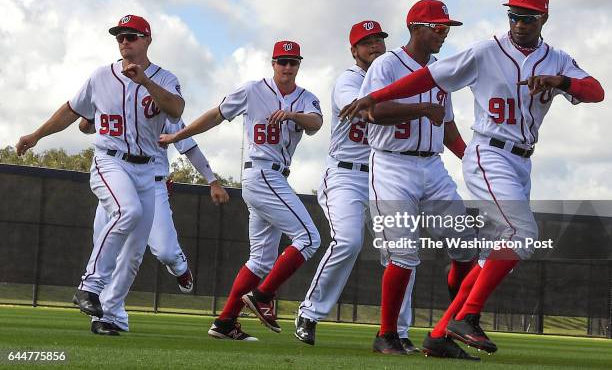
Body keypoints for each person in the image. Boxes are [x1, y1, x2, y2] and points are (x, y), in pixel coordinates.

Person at [340, 0, 604, 359]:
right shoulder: (484, 50)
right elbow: (426, 82)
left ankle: (441, 334)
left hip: (505, 161)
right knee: (521, 233)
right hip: (470, 154)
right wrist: (375, 97)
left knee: (482, 253)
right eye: (513, 14)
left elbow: (595, 91)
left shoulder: (556, 58)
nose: (518, 22)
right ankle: (449, 321)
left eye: (527, 16)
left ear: (543, 18)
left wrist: (560, 81)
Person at [15, 15, 185, 324]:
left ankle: (109, 316)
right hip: (111, 160)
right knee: (127, 211)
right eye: (119, 36)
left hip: (148, 171)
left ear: (147, 40)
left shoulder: (164, 77)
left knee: (134, 253)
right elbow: (71, 111)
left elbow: (176, 109)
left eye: (131, 36)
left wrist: (145, 82)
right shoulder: (100, 77)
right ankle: (89, 287)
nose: (124, 41)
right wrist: (36, 134)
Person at [160, 40, 323, 341]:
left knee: (260, 261)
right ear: (272, 63)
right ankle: (263, 297)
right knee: (309, 238)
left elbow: (316, 123)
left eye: (293, 62)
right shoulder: (252, 90)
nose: (287, 67)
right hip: (261, 174)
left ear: (299, 65)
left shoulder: (305, 98)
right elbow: (215, 115)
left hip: (275, 178)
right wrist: (178, 135)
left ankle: (224, 322)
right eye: (282, 61)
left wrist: (291, 115)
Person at [295, 20, 438, 351]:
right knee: (347, 241)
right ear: (354, 50)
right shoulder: (350, 80)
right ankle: (310, 313)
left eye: (379, 39)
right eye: (366, 41)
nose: (375, 45)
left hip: (383, 172)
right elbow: (370, 108)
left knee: (402, 252)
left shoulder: (396, 77)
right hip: (346, 174)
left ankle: (397, 331)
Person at [350, 0, 477, 357]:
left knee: (466, 246)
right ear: (416, 28)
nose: (444, 33)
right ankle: (387, 335)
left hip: (432, 167)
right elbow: (371, 110)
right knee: (403, 254)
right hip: (392, 165)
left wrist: (469, 156)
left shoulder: (441, 69)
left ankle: (447, 332)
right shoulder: (386, 65)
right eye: (438, 27)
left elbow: (447, 125)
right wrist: (420, 107)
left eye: (447, 27)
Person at [78, 117, 229, 335]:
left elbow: (189, 146)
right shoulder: (116, 98)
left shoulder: (163, 107)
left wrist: (212, 180)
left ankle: (179, 265)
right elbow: (87, 126)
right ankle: (110, 316)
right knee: (106, 252)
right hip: (116, 178)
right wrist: (88, 120)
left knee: (165, 252)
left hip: (152, 183)